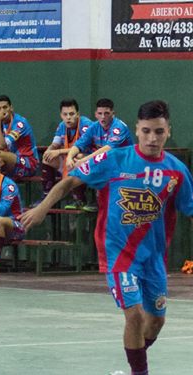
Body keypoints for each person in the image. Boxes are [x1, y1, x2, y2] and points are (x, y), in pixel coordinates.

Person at [22, 100, 193, 375]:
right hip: (118, 254)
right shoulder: (114, 159)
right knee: (135, 315)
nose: (151, 138)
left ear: (168, 132)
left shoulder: (176, 170)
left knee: (156, 322)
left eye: (158, 132)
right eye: (145, 131)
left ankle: (134, 362)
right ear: (136, 130)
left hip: (154, 257)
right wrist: (42, 207)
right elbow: (70, 182)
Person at [66, 98, 134, 271]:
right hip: (108, 176)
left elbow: (107, 150)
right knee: (104, 222)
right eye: (100, 113)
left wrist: (85, 160)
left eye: (107, 113)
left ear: (113, 113)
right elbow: (79, 145)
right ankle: (108, 263)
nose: (103, 117)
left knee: (122, 220)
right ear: (96, 114)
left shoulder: (119, 127)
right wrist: (69, 157)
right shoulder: (94, 127)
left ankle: (127, 260)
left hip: (126, 176)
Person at [40, 98, 94, 208]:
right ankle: (47, 196)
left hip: (88, 162)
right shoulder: (61, 126)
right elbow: (55, 144)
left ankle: (80, 198)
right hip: (68, 161)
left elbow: (80, 148)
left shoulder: (86, 125)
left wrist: (58, 151)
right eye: (65, 114)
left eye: (71, 114)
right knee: (47, 158)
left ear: (78, 114)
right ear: (61, 115)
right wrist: (49, 150)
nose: (68, 117)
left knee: (77, 157)